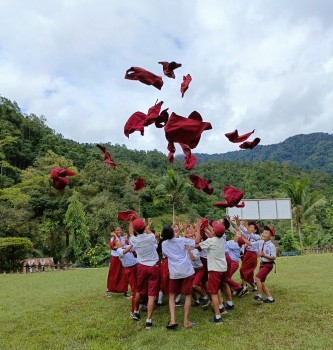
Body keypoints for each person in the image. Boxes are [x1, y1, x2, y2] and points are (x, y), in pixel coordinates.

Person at [162, 225, 200, 329]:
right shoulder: (181, 240)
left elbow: (166, 254)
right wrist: (199, 227)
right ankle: (186, 322)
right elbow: (197, 241)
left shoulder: (164, 244)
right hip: (186, 271)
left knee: (171, 296)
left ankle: (173, 320)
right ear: (172, 233)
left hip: (174, 272)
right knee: (188, 295)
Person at [129, 218, 159, 329]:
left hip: (141, 266)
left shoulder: (134, 240)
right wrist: (146, 225)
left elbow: (131, 232)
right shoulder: (151, 237)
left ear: (136, 230)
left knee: (139, 291)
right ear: (144, 228)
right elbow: (150, 232)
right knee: (151, 295)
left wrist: (131, 221)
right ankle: (149, 321)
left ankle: (136, 311)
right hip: (153, 267)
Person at [196, 221, 228, 324]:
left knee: (213, 292)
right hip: (222, 268)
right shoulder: (221, 239)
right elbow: (212, 235)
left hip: (215, 270)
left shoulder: (211, 241)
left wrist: (198, 229)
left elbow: (197, 245)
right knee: (217, 288)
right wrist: (206, 228)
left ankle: (217, 317)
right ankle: (221, 307)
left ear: (214, 231)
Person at [242, 226, 277, 304]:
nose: (264, 234)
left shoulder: (271, 246)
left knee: (257, 278)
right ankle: (270, 298)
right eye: (264, 232)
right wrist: (241, 237)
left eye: (267, 233)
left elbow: (273, 257)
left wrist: (264, 255)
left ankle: (259, 296)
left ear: (270, 236)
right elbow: (250, 244)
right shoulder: (260, 242)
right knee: (261, 282)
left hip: (268, 265)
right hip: (263, 264)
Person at [233, 217, 261, 294]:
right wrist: (238, 222)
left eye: (251, 227)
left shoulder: (257, 237)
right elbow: (240, 228)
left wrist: (245, 231)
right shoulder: (248, 234)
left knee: (243, 270)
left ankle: (244, 287)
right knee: (249, 272)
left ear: (255, 230)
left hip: (252, 255)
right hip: (247, 254)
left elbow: (248, 234)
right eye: (249, 226)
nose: (249, 227)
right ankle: (254, 286)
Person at [114, 237, 138, 316]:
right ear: (115, 246)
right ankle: (133, 310)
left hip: (136, 267)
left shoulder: (125, 246)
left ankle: (140, 305)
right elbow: (125, 251)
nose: (120, 241)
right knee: (135, 290)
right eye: (118, 241)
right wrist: (131, 245)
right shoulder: (119, 250)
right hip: (129, 270)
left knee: (139, 288)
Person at [105, 226, 129, 297]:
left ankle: (125, 291)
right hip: (115, 258)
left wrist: (126, 239)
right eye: (117, 230)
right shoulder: (112, 238)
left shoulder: (122, 238)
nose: (119, 231)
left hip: (122, 258)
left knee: (124, 274)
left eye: (120, 230)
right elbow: (113, 247)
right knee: (113, 273)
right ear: (114, 231)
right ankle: (108, 289)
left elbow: (125, 246)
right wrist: (115, 236)